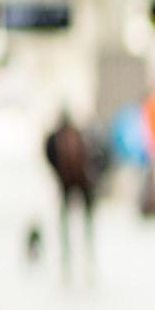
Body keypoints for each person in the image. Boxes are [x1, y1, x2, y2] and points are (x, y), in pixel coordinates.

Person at [42, 109, 97, 281]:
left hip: (66, 183)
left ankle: (68, 258)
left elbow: (49, 157)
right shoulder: (80, 136)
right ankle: (87, 256)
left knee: (66, 222)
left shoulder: (54, 138)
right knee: (85, 224)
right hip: (83, 184)